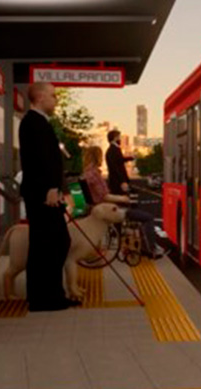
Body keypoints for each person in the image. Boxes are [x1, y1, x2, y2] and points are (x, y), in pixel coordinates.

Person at [19, 83, 74, 311]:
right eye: (52, 96)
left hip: (46, 194)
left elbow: (46, 159)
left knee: (50, 244)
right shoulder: (34, 123)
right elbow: (38, 160)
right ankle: (46, 298)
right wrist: (50, 188)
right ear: (40, 97)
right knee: (50, 244)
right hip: (43, 195)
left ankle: (47, 295)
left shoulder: (38, 122)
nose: (56, 100)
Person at [81, 145, 163, 258]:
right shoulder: (94, 174)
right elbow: (104, 196)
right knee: (146, 217)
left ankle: (141, 245)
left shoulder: (87, 173)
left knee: (134, 213)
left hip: (100, 207)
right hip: (106, 209)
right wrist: (123, 198)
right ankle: (150, 249)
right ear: (97, 157)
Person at [106, 129, 134, 196]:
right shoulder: (113, 150)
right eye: (118, 137)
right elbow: (116, 166)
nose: (120, 139)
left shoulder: (113, 149)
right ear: (115, 138)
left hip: (116, 180)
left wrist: (130, 158)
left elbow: (119, 160)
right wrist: (122, 180)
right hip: (117, 181)